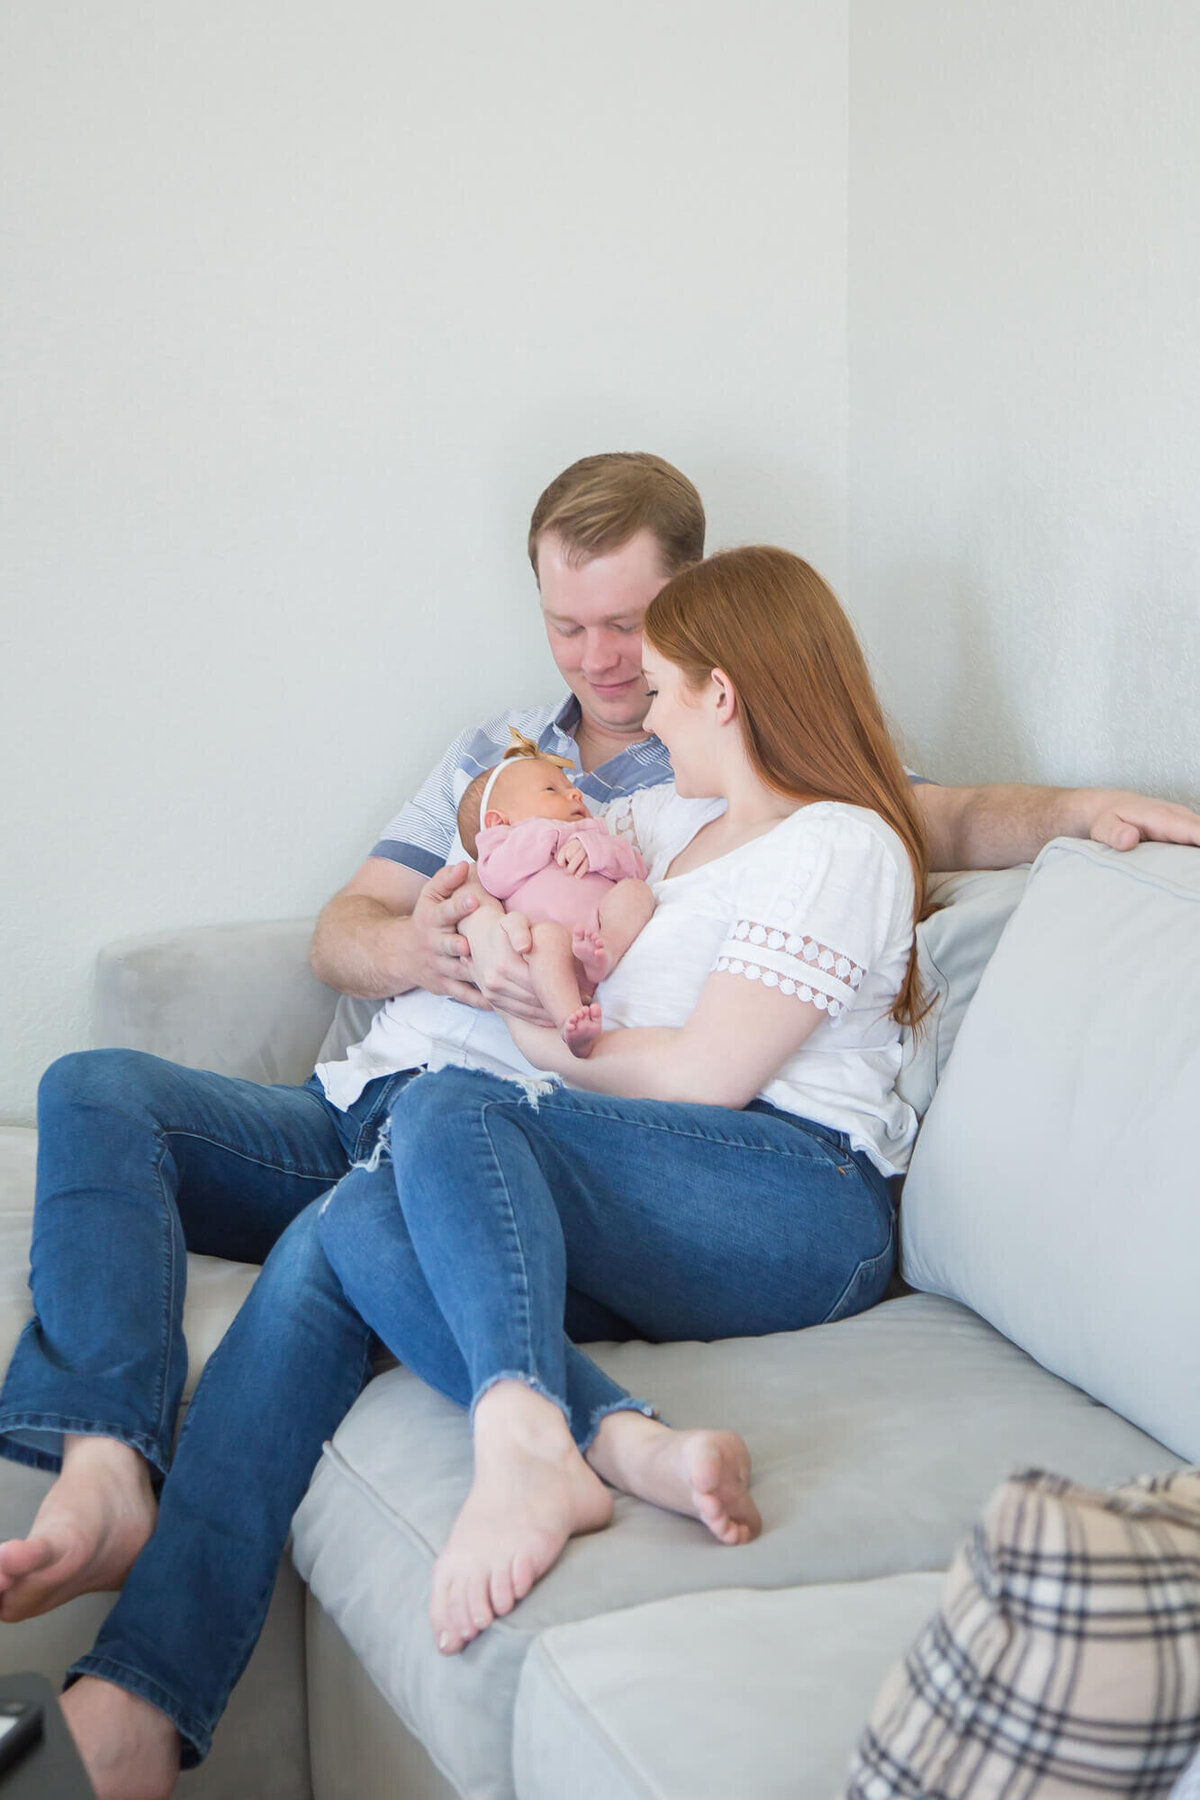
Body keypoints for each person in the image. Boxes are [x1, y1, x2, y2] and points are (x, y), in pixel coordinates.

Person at [1, 451, 1198, 1797]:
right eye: (568, 630)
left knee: (415, 1156)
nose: (606, 674)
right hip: (497, 1127)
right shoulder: (585, 787)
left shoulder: (791, 818)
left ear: (706, 647)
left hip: (728, 1168)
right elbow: (359, 925)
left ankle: (518, 1446)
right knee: (218, 1155)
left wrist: (1079, 818)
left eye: (639, 640)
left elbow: (905, 826)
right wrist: (442, 950)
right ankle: (137, 1651)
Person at [317, 543, 927, 1655]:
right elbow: (553, 900)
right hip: (681, 1175)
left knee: (449, 1105)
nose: (644, 719)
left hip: (800, 1196)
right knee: (363, 1211)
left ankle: (521, 1446)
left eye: (659, 688)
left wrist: (530, 1030)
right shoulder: (678, 837)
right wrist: (497, 942)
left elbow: (707, 1077)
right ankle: (616, 1444)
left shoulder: (840, 842)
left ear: (724, 695)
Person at [455, 731, 654, 1054]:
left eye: (570, 787)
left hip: (601, 933)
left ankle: (606, 954)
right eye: (552, 789)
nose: (575, 795)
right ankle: (570, 1021)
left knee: (635, 892)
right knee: (544, 938)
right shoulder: (500, 847)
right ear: (498, 821)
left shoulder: (593, 832)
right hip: (552, 951)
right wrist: (545, 833)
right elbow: (497, 880)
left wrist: (595, 848)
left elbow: (634, 868)